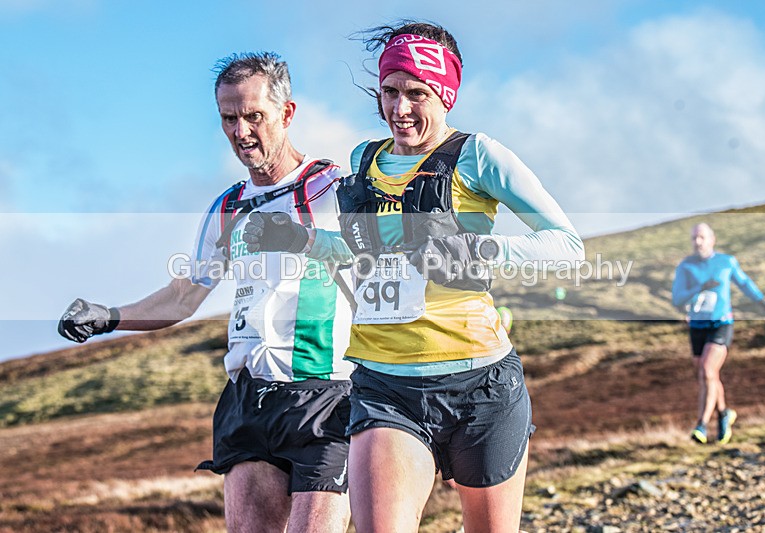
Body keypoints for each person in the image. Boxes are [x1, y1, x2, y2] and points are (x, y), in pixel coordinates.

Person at [57, 52, 355, 533]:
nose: (241, 132)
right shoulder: (229, 207)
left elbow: (378, 262)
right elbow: (185, 296)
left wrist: (302, 239)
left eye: (254, 116)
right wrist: (108, 315)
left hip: (325, 398)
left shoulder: (334, 188)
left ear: (287, 113)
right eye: (229, 119)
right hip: (248, 400)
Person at [327, 21, 585, 532]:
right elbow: (360, 254)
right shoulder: (363, 160)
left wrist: (474, 250)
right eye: (390, 92)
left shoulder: (479, 155)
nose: (400, 109)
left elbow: (566, 246)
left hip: (480, 384)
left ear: (445, 94)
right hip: (384, 384)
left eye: (416, 93)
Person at [672, 222, 765, 445]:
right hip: (697, 327)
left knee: (707, 369)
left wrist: (764, 304)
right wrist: (700, 288)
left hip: (721, 323)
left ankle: (701, 425)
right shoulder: (686, 267)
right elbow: (677, 299)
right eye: (694, 238)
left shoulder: (726, 262)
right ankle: (724, 415)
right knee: (707, 376)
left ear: (712, 239)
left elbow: (745, 283)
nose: (697, 242)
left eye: (701, 237)